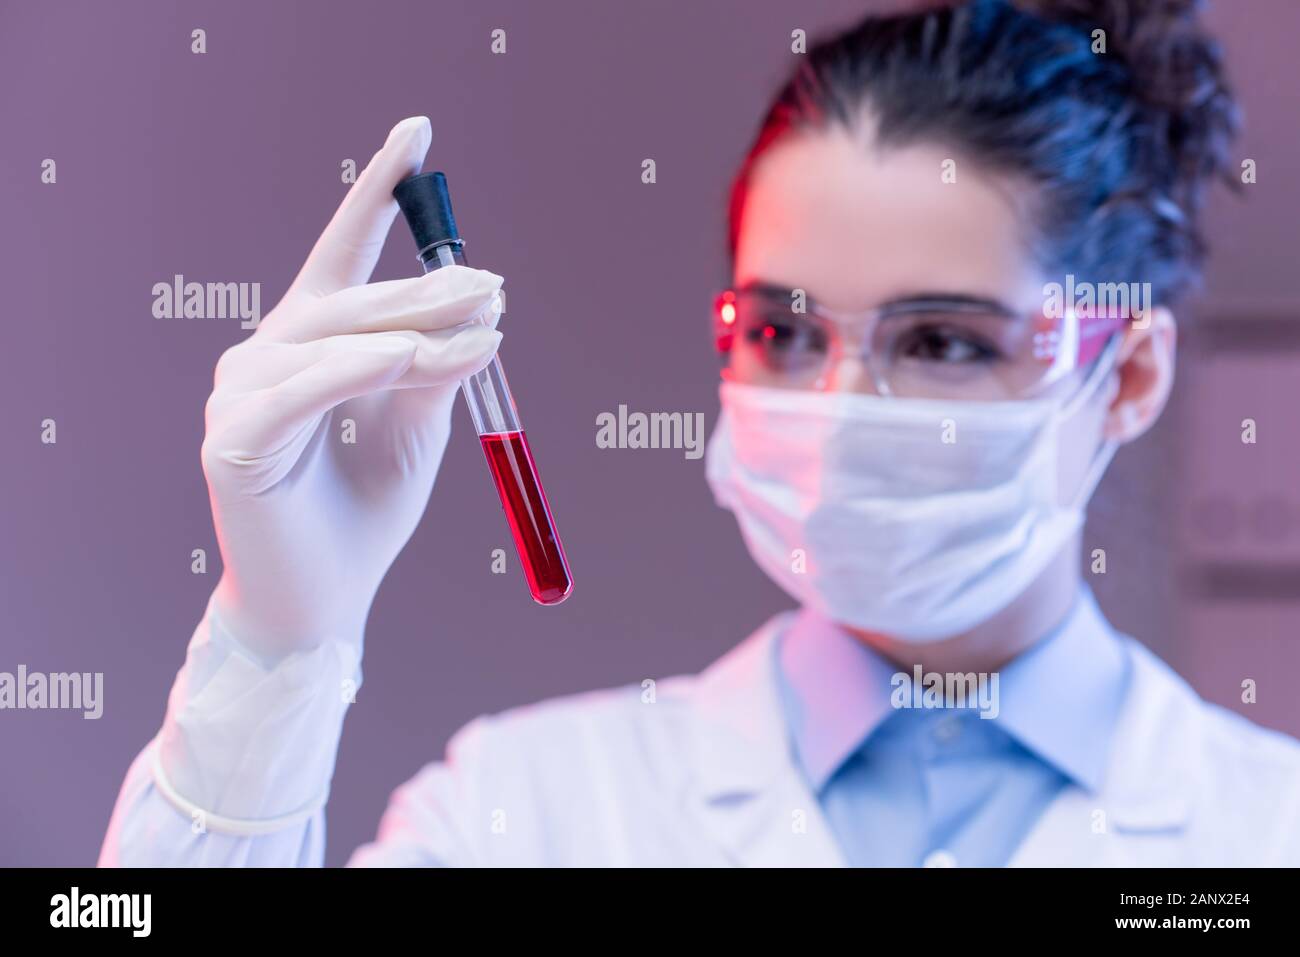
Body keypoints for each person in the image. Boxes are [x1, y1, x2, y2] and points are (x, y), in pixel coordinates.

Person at [100, 0, 1300, 867]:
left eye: (939, 342)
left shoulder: (1266, 831)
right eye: (782, 331)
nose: (836, 410)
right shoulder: (529, 810)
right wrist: (278, 646)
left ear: (1127, 371)